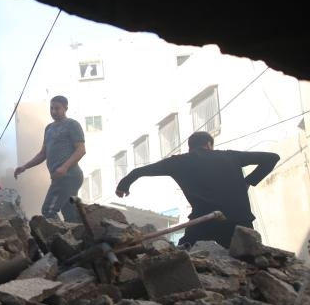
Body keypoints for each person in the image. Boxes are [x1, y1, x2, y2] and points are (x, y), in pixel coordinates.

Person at [115, 131, 280, 248]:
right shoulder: (231, 156)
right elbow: (272, 158)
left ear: (190, 147)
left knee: (184, 254)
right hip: (239, 221)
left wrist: (124, 185)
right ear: (209, 144)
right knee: (250, 263)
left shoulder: (180, 162)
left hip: (204, 221)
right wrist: (249, 181)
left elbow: (141, 171)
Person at [14, 95, 86, 222]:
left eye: (57, 108)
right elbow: (43, 154)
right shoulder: (49, 128)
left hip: (69, 176)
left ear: (65, 108)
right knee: (70, 214)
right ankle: (81, 238)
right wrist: (24, 166)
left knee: (48, 210)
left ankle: (61, 240)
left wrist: (64, 167)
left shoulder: (72, 125)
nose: (53, 111)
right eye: (51, 108)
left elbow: (81, 150)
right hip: (59, 177)